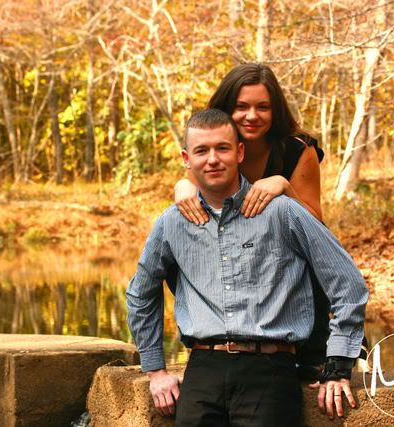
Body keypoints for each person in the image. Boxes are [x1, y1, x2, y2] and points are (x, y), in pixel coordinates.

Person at [126, 109, 368, 426]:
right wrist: (156, 370)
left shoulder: (282, 212)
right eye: (201, 150)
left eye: (222, 148)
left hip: (270, 373)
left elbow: (348, 285)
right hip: (202, 372)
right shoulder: (172, 222)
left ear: (239, 152)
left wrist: (337, 367)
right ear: (187, 159)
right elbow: (140, 294)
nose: (213, 159)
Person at [173, 63, 337, 381]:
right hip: (233, 250)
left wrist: (285, 187)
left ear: (275, 110)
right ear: (225, 109)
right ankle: (205, 340)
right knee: (179, 245)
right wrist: (182, 186)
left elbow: (316, 228)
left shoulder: (298, 149)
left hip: (282, 253)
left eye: (263, 107)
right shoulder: (215, 146)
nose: (252, 116)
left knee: (312, 255)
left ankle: (316, 352)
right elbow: (195, 192)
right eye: (241, 107)